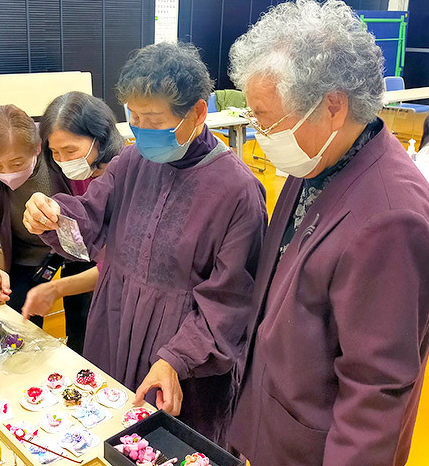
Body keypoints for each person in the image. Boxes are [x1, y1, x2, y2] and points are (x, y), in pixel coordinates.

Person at [226, 0, 429, 466]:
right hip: (273, 420)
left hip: (321, 456)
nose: (261, 136)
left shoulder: (392, 218)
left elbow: (376, 386)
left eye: (266, 119)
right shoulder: (319, 160)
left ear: (332, 105)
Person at [23, 42, 267, 443]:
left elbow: (230, 301)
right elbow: (89, 222)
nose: (140, 129)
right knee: (102, 438)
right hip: (115, 325)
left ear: (198, 113)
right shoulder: (132, 162)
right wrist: (51, 215)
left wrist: (176, 359)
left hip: (181, 356)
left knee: (167, 462)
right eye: (133, 118)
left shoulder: (238, 192)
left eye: (153, 119)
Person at [20, 91, 124, 353]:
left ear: (99, 139)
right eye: (55, 152)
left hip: (120, 296)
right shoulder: (75, 171)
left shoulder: (123, 176)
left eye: (70, 150)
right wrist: (43, 215)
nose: (64, 161)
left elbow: (116, 265)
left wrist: (56, 288)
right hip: (89, 272)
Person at [0, 105, 73, 329]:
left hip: (77, 245)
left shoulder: (56, 147)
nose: (7, 172)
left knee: (83, 320)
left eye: (17, 163)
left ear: (38, 148)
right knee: (18, 323)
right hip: (26, 254)